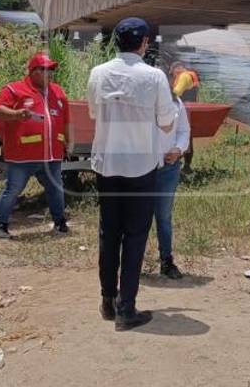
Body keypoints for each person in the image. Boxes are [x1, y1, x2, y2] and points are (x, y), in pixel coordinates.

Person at [87, 17, 176, 331]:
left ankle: (107, 301)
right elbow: (167, 123)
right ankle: (127, 309)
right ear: (144, 43)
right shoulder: (154, 77)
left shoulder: (97, 73)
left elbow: (94, 114)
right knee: (135, 236)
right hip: (140, 168)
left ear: (117, 42)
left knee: (108, 233)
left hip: (107, 166)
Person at [0, 52, 70, 240]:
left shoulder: (58, 92)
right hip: (22, 155)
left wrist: (69, 141)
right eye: (45, 69)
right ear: (33, 71)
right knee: (13, 189)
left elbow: (66, 120)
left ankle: (60, 223)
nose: (49, 74)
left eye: (51, 70)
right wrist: (16, 114)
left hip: (51, 155)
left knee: (56, 189)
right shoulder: (14, 89)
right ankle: (1, 226)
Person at [153, 90, 191, 280]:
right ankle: (131, 262)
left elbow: (184, 131)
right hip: (142, 168)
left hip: (168, 168)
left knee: (164, 217)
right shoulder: (143, 103)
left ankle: (166, 261)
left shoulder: (177, 104)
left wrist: (178, 149)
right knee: (138, 217)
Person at [170, 62, 200, 175]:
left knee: (180, 139)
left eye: (172, 73)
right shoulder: (190, 77)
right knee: (188, 139)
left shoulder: (184, 76)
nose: (173, 77)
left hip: (183, 112)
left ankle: (181, 166)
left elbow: (176, 93)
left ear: (177, 69)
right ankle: (186, 166)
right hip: (190, 111)